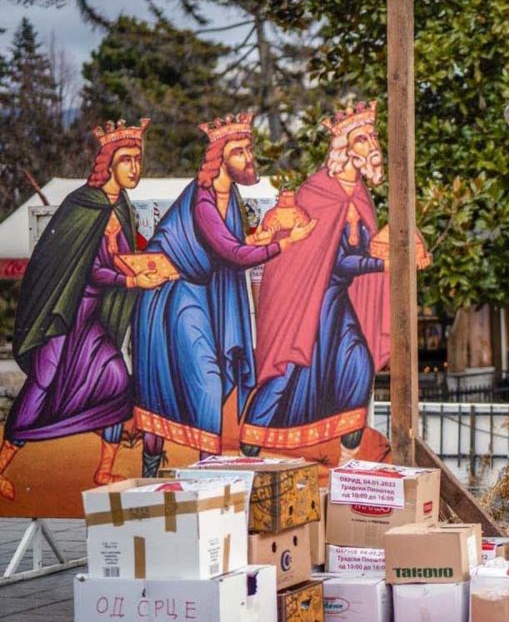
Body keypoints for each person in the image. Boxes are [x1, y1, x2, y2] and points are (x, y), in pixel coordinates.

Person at [133, 113, 316, 476]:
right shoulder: (203, 201)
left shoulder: (228, 196)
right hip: (172, 295)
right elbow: (230, 253)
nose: (248, 158)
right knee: (205, 383)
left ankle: (200, 473)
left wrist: (257, 239)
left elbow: (228, 245)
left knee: (195, 383)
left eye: (249, 149)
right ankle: (200, 472)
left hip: (198, 292)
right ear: (219, 158)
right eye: (239, 151)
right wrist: (284, 244)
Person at [0, 120, 165, 498]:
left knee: (116, 379)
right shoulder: (82, 205)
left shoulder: (120, 206)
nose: (135, 168)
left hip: (91, 318)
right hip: (62, 314)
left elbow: (118, 256)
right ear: (108, 163)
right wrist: (131, 281)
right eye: (126, 160)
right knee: (43, 383)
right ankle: (3, 463)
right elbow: (87, 267)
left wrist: (147, 266)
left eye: (138, 159)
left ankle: (103, 470)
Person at [240, 103, 389, 462]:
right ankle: (249, 448)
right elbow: (335, 261)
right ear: (344, 149)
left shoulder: (360, 197)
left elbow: (360, 253)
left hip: (337, 303)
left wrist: (395, 249)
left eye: (372, 137)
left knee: (358, 367)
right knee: (288, 371)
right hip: (307, 303)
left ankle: (347, 464)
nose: (372, 145)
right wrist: (382, 262)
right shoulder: (316, 194)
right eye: (362, 139)